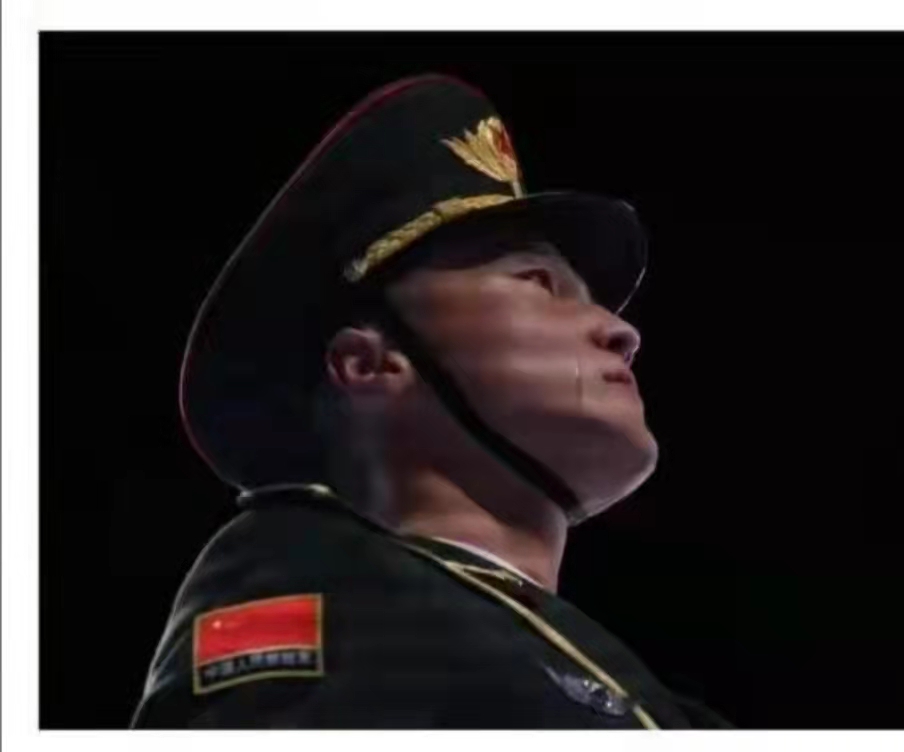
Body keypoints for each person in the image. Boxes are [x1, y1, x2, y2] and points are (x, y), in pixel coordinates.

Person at [130, 73, 734, 729]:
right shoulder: (310, 581)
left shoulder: (658, 703)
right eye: (539, 283)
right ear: (370, 363)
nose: (623, 332)